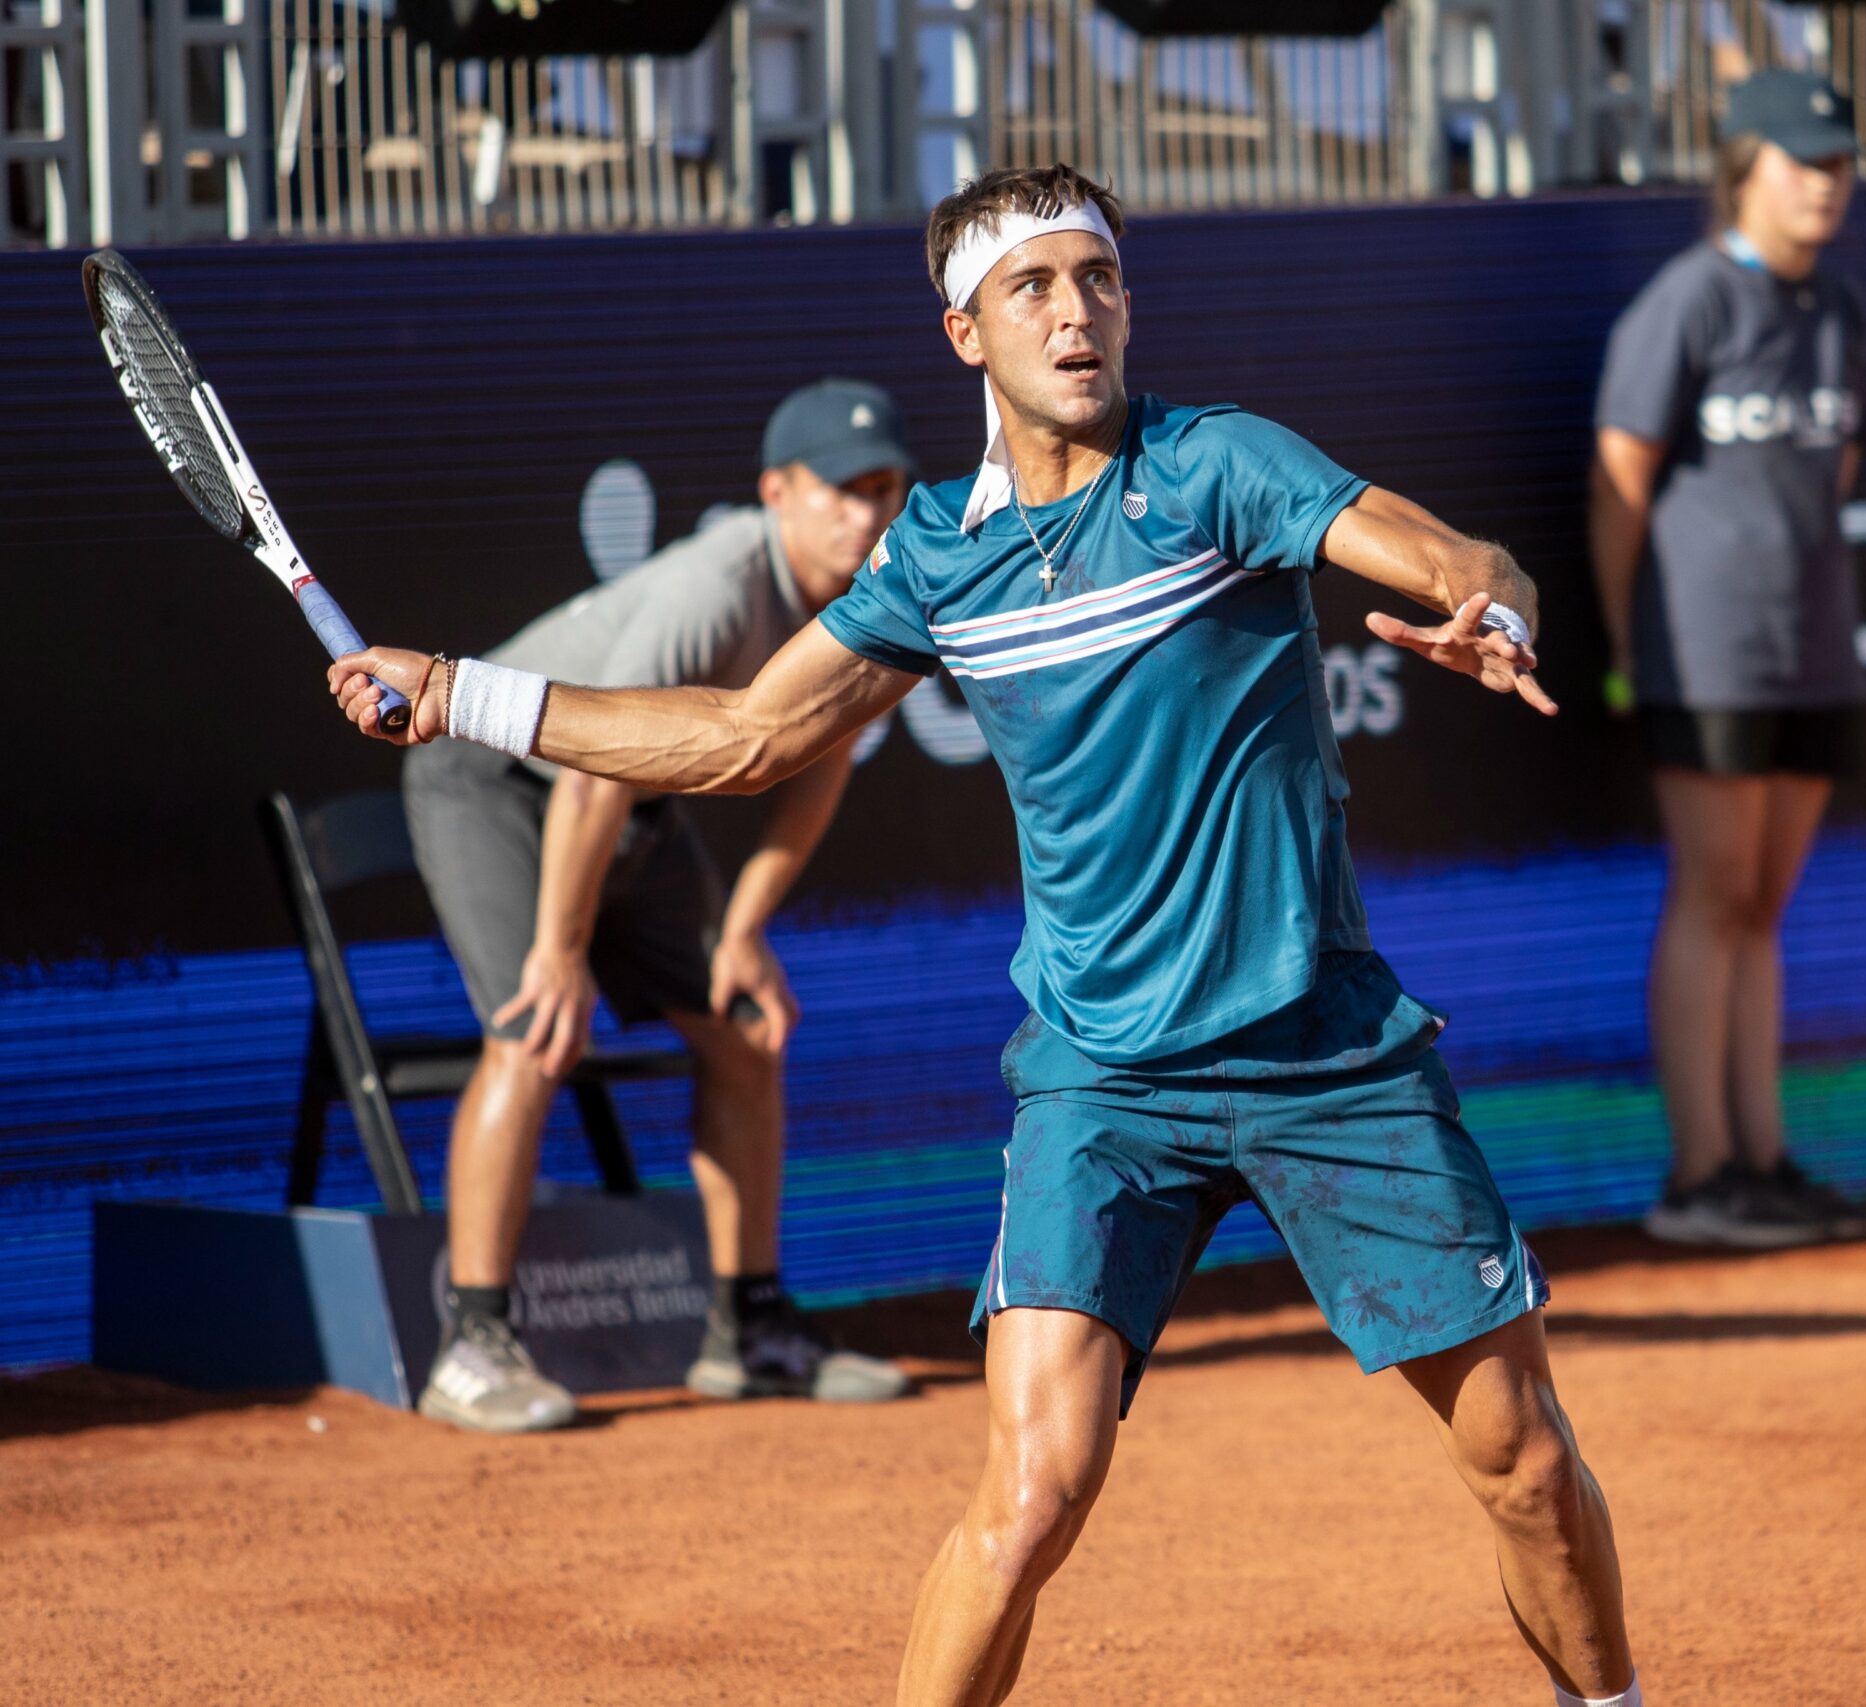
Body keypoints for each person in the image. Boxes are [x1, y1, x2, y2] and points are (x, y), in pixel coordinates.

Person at [332, 164, 1643, 1707]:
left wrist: (1494, 605)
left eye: (1100, 280)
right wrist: (470, 690)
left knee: (1525, 1460)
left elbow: (1438, 547)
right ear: (966, 331)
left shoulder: (1217, 467)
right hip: (1102, 1081)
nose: (1078, 312)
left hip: (1324, 1050)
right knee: (1031, 1492)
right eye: (1035, 287)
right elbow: (748, 734)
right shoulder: (937, 553)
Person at [399, 380, 920, 1432]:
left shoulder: (873, 599)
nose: (868, 513)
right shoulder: (716, 586)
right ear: (778, 491)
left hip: (627, 814)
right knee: (535, 1031)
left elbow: (820, 762)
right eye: (844, 489)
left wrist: (743, 930)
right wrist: (559, 947)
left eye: (888, 489)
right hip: (499, 780)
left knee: (744, 1039)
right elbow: (591, 773)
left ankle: (753, 1332)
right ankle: (473, 1343)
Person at [1588, 69, 1866, 1250]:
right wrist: (1623, 640)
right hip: (1698, 652)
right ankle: (1696, 1177)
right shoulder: (1687, 301)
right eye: (1802, 163)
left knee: (1763, 903)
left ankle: (1761, 1161)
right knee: (1713, 897)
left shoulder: (1840, 312)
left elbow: (1839, 472)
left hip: (1813, 651)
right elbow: (1620, 478)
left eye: (1839, 164)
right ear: (1742, 169)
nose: (1824, 185)